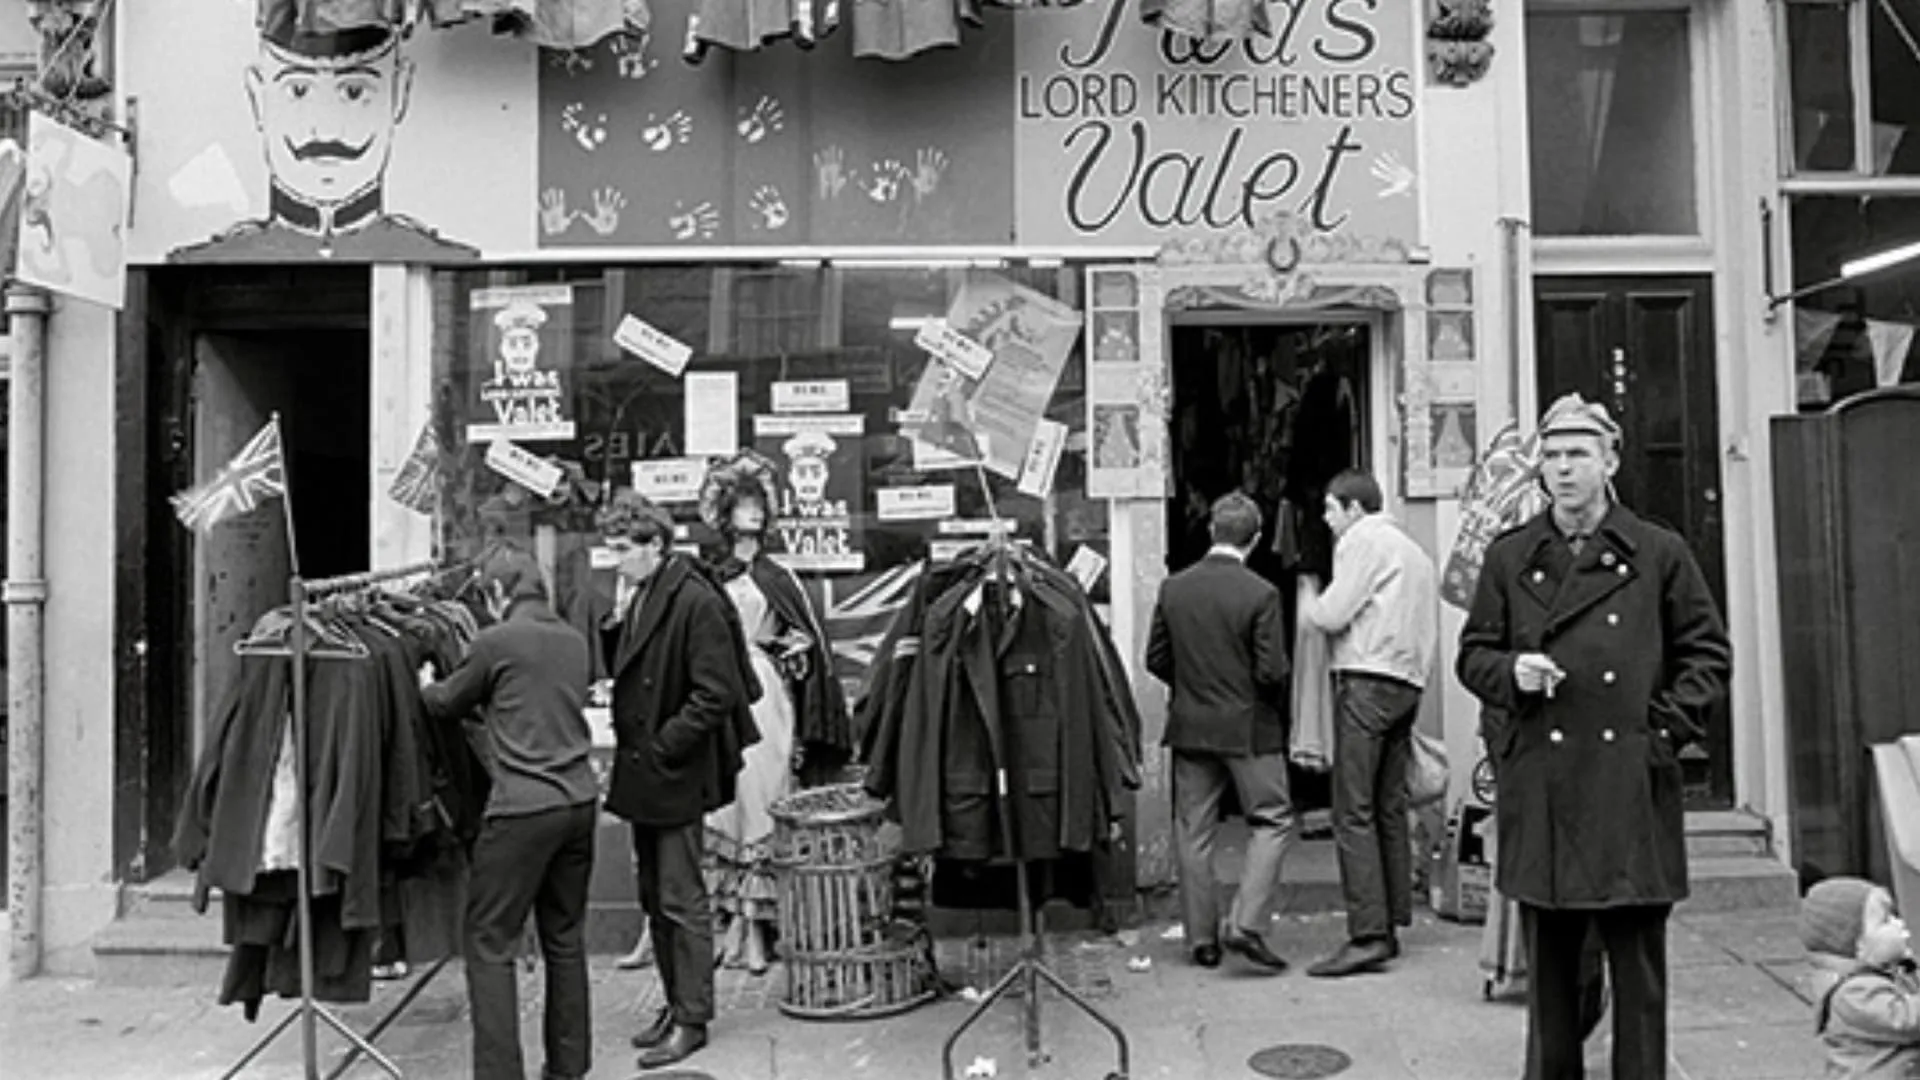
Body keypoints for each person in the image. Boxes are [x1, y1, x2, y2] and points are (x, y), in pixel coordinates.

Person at [1457, 392, 1731, 1079]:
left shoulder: (1659, 552)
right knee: (1551, 986)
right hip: (1544, 794)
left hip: (1629, 792)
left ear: (1610, 460)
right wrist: (1512, 670)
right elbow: (1473, 654)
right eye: (1551, 456)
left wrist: (1658, 732)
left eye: (1578, 454)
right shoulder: (1510, 555)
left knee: (1637, 981)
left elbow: (1708, 656)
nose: (1562, 469)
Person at [418, 548, 598, 1080]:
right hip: (579, 802)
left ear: (497, 594)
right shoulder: (573, 640)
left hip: (522, 808)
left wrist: (425, 681)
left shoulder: (495, 641)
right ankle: (568, 1068)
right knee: (564, 937)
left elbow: (447, 701)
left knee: (490, 941)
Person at [597, 491, 759, 1070]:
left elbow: (716, 692)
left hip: (673, 771)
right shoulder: (644, 593)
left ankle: (693, 1016)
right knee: (654, 897)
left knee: (681, 897)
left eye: (622, 548)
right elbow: (634, 667)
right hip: (649, 771)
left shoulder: (694, 600)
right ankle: (674, 1002)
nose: (614, 559)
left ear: (655, 545)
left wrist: (666, 746)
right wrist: (614, 624)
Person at [696, 454, 846, 974]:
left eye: (759, 504)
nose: (753, 514)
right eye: (743, 505)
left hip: (765, 692)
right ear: (723, 512)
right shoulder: (707, 575)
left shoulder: (778, 577)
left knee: (762, 796)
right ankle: (730, 922)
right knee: (724, 801)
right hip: (718, 690)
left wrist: (793, 649)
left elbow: (802, 640)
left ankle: (757, 925)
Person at [170, 13, 476, 262]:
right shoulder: (209, 258)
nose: (326, 130)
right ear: (258, 95)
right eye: (298, 90)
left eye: (354, 92)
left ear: (400, 92)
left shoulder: (442, 259)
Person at [1146, 491, 1294, 973]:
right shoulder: (1261, 594)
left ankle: (1201, 940)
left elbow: (1156, 658)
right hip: (1249, 727)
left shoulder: (1174, 588)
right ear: (1253, 540)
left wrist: (1190, 687)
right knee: (1271, 819)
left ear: (1212, 531)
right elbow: (1272, 670)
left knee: (1194, 831)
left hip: (1191, 724)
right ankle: (1246, 923)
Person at [1299, 467, 1438, 978]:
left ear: (1354, 508)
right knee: (1387, 804)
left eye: (1331, 510)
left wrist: (1308, 600)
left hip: (1366, 679)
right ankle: (1392, 918)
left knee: (1351, 809)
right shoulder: (1415, 551)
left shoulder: (1362, 541)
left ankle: (1367, 934)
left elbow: (1334, 614)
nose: (1328, 520)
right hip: (1407, 682)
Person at [1802, 876, 1920, 1078]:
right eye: (1885, 920)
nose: (1898, 923)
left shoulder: (1885, 973)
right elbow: (1906, 1020)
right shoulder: (1853, 993)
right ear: (1857, 944)